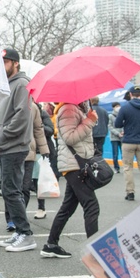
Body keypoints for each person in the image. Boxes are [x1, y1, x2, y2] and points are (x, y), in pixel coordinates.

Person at [41, 100, 100, 260]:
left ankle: (51, 244)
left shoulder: (76, 108)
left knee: (68, 207)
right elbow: (70, 138)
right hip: (74, 164)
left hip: (76, 163)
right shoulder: (68, 109)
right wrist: (89, 121)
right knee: (91, 206)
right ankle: (94, 253)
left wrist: (89, 119)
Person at [0, 47, 37, 252]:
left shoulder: (22, 84)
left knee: (11, 191)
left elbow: (22, 117)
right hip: (6, 146)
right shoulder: (9, 85)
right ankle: (20, 231)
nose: (2, 66)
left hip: (13, 146)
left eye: (5, 62)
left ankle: (26, 234)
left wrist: (1, 138)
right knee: (9, 190)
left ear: (15, 63)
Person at [25, 99, 50, 220]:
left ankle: (41, 208)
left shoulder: (42, 113)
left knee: (39, 182)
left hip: (39, 153)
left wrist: (38, 126)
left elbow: (49, 130)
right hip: (29, 151)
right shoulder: (24, 110)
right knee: (25, 185)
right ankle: (21, 212)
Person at [108, 103, 123, 172]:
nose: (118, 107)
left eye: (119, 106)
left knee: (124, 153)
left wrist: (123, 132)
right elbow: (110, 126)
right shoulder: (110, 116)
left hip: (123, 136)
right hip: (114, 138)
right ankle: (116, 168)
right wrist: (117, 133)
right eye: (116, 106)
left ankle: (126, 167)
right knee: (115, 154)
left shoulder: (123, 114)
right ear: (113, 107)